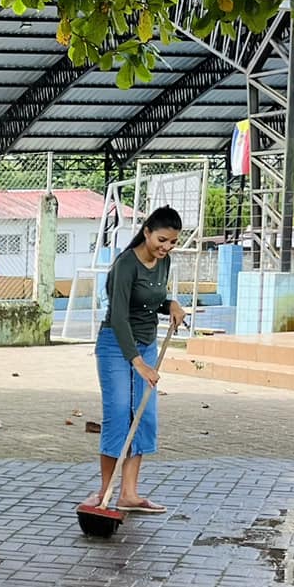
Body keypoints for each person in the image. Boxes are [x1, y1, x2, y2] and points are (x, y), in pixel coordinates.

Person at [93, 206, 188, 514]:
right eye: (162, 240)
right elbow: (119, 317)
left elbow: (151, 301)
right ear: (147, 232)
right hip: (116, 345)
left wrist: (171, 305)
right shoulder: (125, 265)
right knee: (119, 413)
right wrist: (138, 363)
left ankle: (129, 494)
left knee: (143, 414)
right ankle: (104, 492)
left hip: (146, 344)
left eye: (172, 242)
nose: (166, 247)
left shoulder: (164, 262)